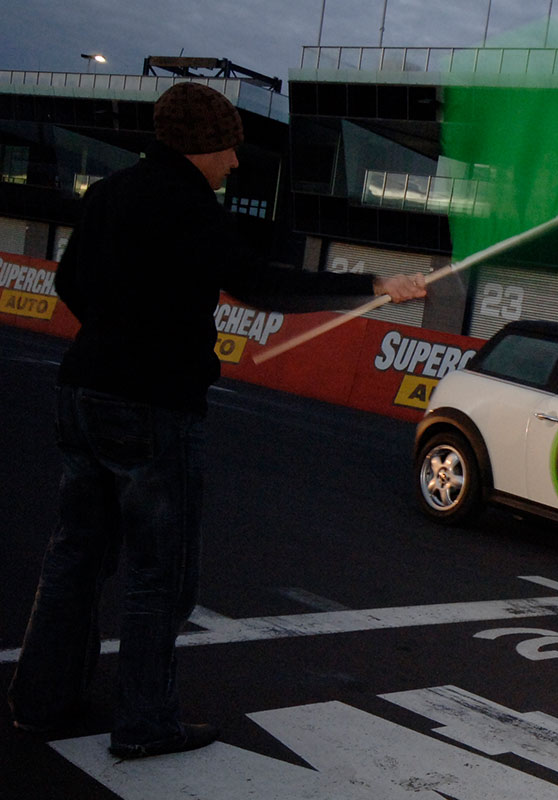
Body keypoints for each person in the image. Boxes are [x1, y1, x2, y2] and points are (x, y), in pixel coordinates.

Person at [6, 82, 425, 759]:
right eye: (229, 147)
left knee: (74, 556)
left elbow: (67, 283)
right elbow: (258, 283)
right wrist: (373, 284)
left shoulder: (109, 192)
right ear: (202, 145)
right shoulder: (190, 205)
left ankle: (38, 702)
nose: (234, 162)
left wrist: (115, 333)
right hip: (154, 405)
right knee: (158, 575)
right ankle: (144, 722)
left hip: (82, 389)